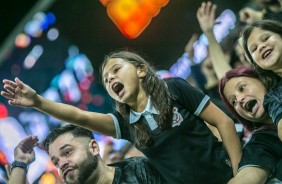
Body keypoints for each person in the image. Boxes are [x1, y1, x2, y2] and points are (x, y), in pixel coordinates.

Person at [1, 50, 242, 183]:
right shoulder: (127, 124)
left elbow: (224, 122)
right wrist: (38, 102)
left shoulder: (174, 89)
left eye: (116, 70)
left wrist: (240, 172)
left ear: (140, 69)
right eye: (106, 80)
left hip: (230, 176)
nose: (111, 79)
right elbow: (80, 117)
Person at [219, 66, 282, 183]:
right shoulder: (261, 141)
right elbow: (246, 176)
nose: (240, 99)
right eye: (234, 102)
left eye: (242, 88)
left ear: (260, 78)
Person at [240, 19, 282, 141]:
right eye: (254, 49)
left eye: (265, 38)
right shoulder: (272, 97)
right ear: (256, 64)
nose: (261, 47)